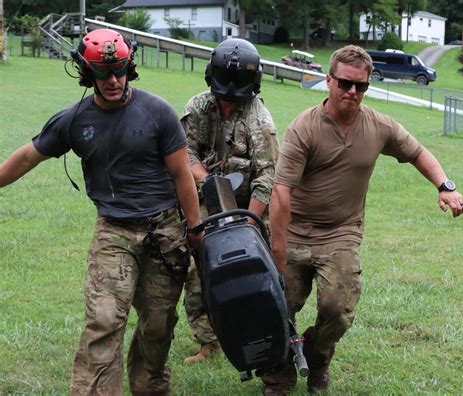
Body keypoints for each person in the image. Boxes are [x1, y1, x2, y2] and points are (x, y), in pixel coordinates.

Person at [0, 28, 202, 395]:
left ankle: (150, 385)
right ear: (86, 72)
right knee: (104, 320)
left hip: (164, 231)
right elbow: (29, 156)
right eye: (102, 72)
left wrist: (195, 230)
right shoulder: (74, 120)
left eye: (119, 70)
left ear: (130, 66)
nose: (112, 80)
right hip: (114, 232)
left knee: (158, 324)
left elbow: (181, 175)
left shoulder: (157, 112)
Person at [264, 45, 463, 395]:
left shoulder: (378, 125)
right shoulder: (304, 128)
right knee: (279, 304)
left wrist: (444, 185)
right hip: (296, 231)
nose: (353, 92)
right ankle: (278, 374)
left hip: (341, 233)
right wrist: (278, 253)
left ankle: (317, 354)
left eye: (361, 86)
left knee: (338, 310)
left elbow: (417, 152)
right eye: (345, 84)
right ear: (328, 80)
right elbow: (281, 193)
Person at [180, 38, 279, 364]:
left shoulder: (260, 120)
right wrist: (205, 181)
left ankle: (253, 332)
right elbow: (186, 152)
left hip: (247, 206)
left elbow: (267, 177)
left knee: (251, 269)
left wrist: (248, 225)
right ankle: (210, 340)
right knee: (197, 270)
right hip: (207, 201)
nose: (227, 105)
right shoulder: (197, 107)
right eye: (222, 98)